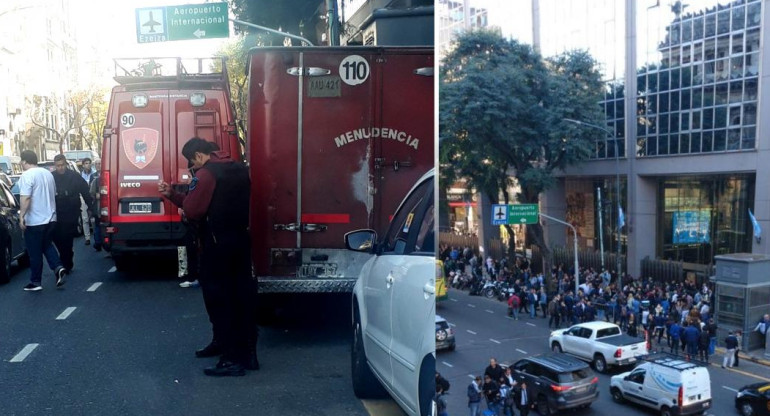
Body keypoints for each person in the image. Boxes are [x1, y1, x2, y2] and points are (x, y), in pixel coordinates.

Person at [158, 137, 256, 376]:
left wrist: (172, 196)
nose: (194, 166)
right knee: (240, 298)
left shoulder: (206, 174)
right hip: (240, 242)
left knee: (219, 300)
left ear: (199, 155)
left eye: (193, 161)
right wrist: (174, 193)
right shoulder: (239, 168)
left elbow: (193, 209)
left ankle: (231, 358)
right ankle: (246, 354)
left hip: (215, 245)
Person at [18, 150, 67, 291]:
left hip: (35, 220)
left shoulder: (27, 175)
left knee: (34, 252)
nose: (21, 164)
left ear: (25, 161)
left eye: (22, 161)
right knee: (47, 245)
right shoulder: (47, 174)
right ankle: (58, 267)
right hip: (51, 218)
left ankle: (35, 282)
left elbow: (25, 197)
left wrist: (22, 216)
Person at [51, 154, 93, 272]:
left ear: (66, 164)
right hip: (56, 213)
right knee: (58, 238)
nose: (61, 168)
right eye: (58, 166)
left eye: (62, 165)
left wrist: (90, 207)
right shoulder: (51, 177)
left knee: (67, 238)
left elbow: (85, 191)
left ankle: (66, 262)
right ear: (55, 166)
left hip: (71, 212)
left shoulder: (74, 176)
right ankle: (65, 256)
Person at [79, 157, 97, 246]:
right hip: (83, 197)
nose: (88, 165)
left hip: (92, 197)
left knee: (93, 218)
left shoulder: (94, 174)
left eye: (89, 163)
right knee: (85, 218)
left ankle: (96, 237)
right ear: (83, 165)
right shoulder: (80, 175)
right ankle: (87, 238)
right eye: (86, 163)